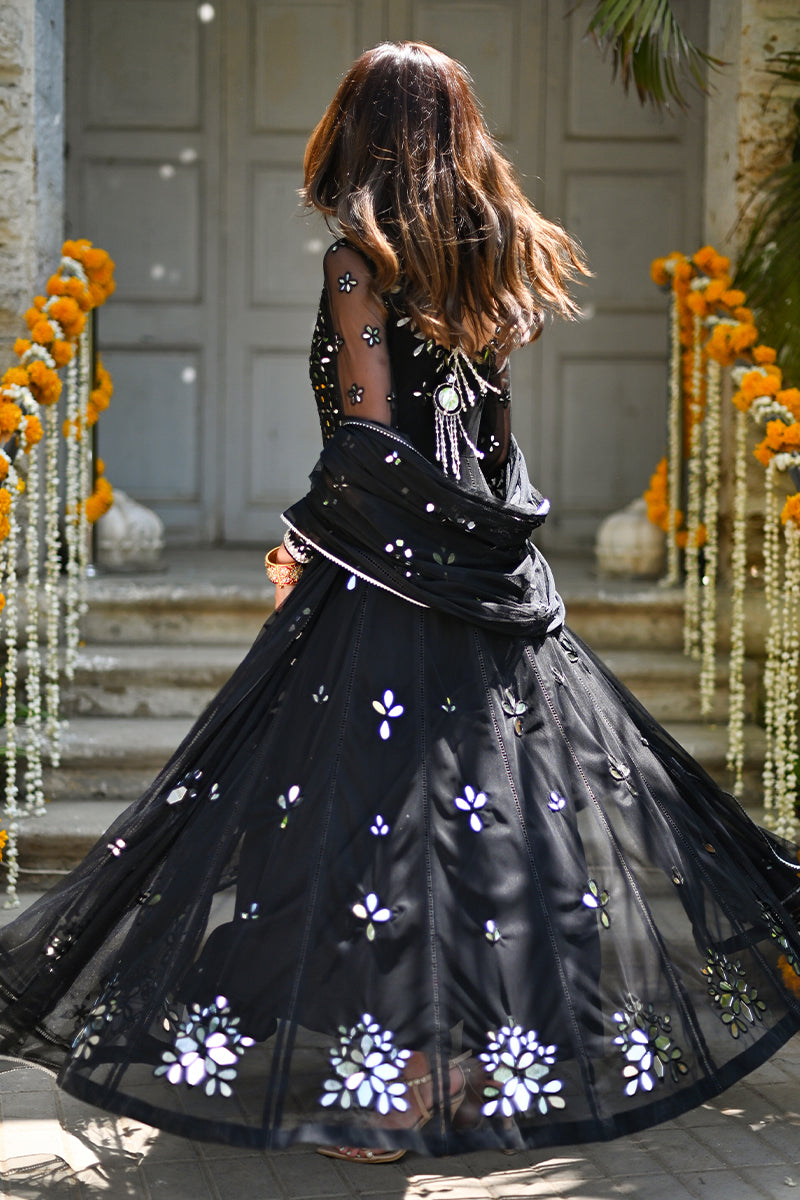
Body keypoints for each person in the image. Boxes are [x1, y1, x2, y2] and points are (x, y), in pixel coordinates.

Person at [2, 41, 800, 1166]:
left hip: (386, 588)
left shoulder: (356, 265)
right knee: (478, 829)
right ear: (456, 136)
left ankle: (395, 1098)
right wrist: (491, 557)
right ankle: (455, 1071)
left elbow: (371, 435)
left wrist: (306, 535)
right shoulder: (494, 257)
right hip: (477, 586)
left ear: (362, 135)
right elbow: (490, 448)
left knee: (370, 831)